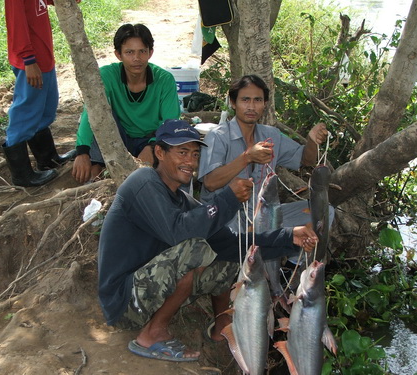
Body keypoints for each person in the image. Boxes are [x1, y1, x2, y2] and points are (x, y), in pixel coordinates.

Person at [98, 119, 318, 362]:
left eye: (194, 154)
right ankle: (152, 335)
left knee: (231, 256)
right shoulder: (143, 181)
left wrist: (289, 236)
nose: (190, 162)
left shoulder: (182, 200)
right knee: (196, 247)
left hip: (151, 293)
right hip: (124, 301)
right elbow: (179, 233)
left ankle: (221, 326)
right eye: (182, 152)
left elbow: (232, 243)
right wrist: (227, 199)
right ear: (159, 152)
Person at [198, 74, 331, 233]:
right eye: (245, 100)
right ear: (233, 103)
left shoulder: (271, 135)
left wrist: (312, 141)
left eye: (258, 100)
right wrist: (247, 157)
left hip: (263, 217)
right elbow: (210, 182)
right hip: (225, 218)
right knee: (250, 235)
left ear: (265, 104)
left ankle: (294, 258)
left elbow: (306, 160)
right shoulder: (218, 136)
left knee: (325, 212)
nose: (251, 107)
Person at [72, 23, 180, 184]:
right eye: (129, 52)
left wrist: (151, 147)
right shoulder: (107, 75)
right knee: (98, 115)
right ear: (118, 54)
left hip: (150, 138)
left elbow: (170, 122)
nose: (136, 58)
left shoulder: (164, 79)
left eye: (142, 51)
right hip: (118, 137)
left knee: (171, 147)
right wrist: (81, 152)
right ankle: (97, 177)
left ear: (150, 53)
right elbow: (91, 112)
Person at [2, 0, 78, 187]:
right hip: (30, 62)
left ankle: (47, 158)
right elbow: (17, 25)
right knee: (25, 111)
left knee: (45, 108)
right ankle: (21, 175)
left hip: (43, 56)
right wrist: (28, 60)